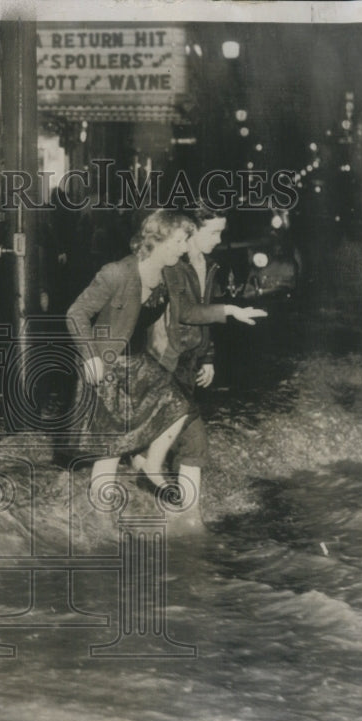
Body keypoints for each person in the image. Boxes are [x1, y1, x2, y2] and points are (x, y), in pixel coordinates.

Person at [140, 208, 267, 512]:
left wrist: (208, 357)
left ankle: (181, 514)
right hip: (163, 360)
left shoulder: (208, 265)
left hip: (188, 362)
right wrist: (230, 311)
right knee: (193, 441)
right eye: (213, 232)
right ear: (191, 231)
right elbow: (186, 312)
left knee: (185, 443)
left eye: (222, 232)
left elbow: (202, 317)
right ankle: (180, 511)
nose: (219, 239)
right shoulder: (174, 264)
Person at [66, 209, 197, 502]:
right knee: (110, 452)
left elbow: (188, 312)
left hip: (136, 362)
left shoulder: (169, 274)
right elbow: (75, 314)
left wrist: (229, 311)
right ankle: (100, 523)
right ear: (158, 240)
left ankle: (150, 465)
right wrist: (90, 356)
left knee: (179, 405)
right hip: (106, 364)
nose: (185, 247)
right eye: (180, 241)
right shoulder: (118, 272)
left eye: (187, 241)